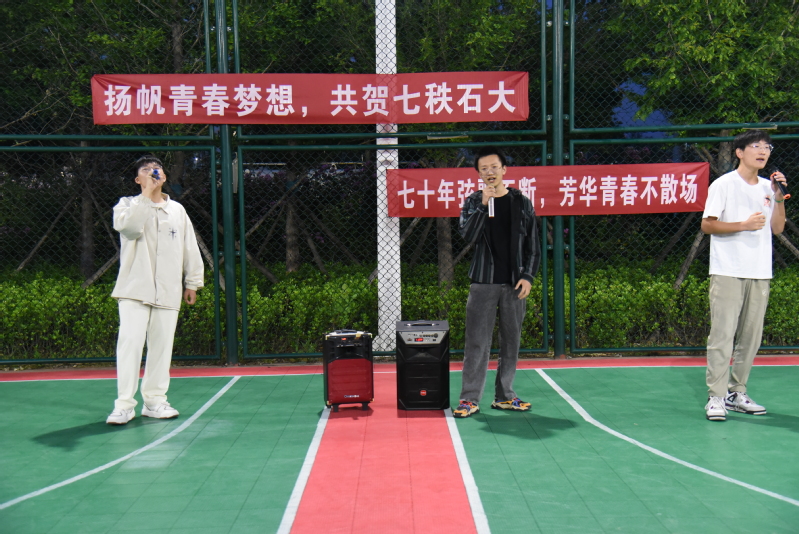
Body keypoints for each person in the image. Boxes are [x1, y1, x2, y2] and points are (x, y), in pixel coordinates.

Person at [106, 155, 204, 425]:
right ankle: (124, 405)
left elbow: (189, 246)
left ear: (165, 176)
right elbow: (130, 229)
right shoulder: (126, 205)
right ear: (137, 179)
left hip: (168, 289)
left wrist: (192, 282)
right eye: (146, 170)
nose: (152, 173)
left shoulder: (177, 211)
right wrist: (146, 197)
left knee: (161, 348)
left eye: (156, 169)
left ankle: (155, 402)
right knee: (130, 345)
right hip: (134, 289)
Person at [701, 130, 787, 422]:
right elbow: (707, 225)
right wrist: (743, 225)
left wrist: (779, 198)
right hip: (728, 269)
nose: (763, 151)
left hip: (760, 271)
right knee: (722, 335)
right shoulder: (724, 184)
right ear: (739, 152)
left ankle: (737, 392)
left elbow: (777, 228)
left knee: (751, 337)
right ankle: (716, 396)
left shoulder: (768, 187)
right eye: (756, 146)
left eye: (767, 147)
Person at [453, 146, 541, 418]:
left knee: (511, 342)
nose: (490, 172)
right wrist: (483, 205)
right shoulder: (473, 201)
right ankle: (469, 399)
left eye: (494, 167)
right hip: (483, 282)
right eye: (484, 169)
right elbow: (467, 235)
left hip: (514, 284)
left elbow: (533, 246)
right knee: (477, 342)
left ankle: (505, 396)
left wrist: (528, 276)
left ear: (504, 169)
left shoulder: (521, 202)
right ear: (479, 174)